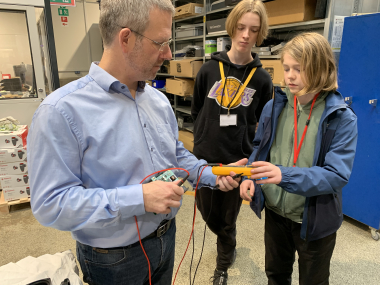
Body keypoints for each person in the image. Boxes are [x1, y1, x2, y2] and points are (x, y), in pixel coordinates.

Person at [27, 1, 245, 284]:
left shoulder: (156, 99)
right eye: (161, 43)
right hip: (112, 259)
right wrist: (139, 198)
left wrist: (209, 174)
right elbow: (50, 204)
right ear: (126, 38)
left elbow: (174, 153)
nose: (168, 54)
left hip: (166, 238)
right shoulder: (61, 111)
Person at [239, 32, 358, 285]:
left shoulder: (341, 117)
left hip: (312, 219)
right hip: (275, 213)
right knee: (276, 275)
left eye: (299, 69)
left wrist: (284, 175)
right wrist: (251, 174)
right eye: (286, 68)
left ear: (320, 69)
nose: (289, 76)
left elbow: (336, 174)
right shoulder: (275, 106)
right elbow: (260, 147)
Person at [191, 1, 272, 284]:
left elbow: (263, 121)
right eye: (241, 27)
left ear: (259, 33)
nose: (246, 35)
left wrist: (251, 153)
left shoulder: (262, 79)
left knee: (226, 219)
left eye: (253, 29)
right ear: (232, 27)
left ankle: (223, 264)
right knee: (206, 212)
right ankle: (227, 242)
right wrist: (202, 136)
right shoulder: (208, 70)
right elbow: (197, 108)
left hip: (237, 158)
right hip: (205, 156)